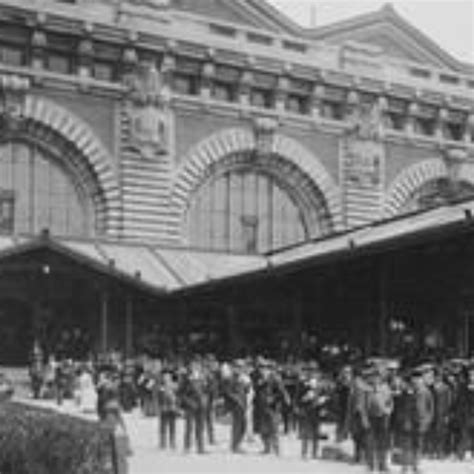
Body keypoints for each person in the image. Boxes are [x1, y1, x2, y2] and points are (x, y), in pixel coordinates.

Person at [396, 368, 434, 474]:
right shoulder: (406, 391)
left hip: (421, 422)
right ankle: (405, 467)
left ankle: (416, 465)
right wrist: (403, 420)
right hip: (408, 422)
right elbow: (400, 406)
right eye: (414, 379)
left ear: (422, 380)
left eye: (418, 379)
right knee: (406, 445)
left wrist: (427, 421)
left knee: (418, 445)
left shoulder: (426, 392)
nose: (416, 381)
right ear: (411, 380)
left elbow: (430, 408)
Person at [366, 366, 393, 473]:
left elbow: (390, 402)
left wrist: (387, 411)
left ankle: (382, 465)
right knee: (371, 442)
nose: (376, 379)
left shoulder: (386, 388)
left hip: (383, 418)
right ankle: (371, 465)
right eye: (374, 377)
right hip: (371, 417)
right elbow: (365, 403)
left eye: (378, 377)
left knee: (383, 443)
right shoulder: (368, 388)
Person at [179, 360, 207, 454]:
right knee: (189, 427)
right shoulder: (186, 378)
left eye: (198, 365)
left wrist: (205, 398)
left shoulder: (203, 377)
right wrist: (188, 402)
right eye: (194, 365)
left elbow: (206, 390)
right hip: (190, 405)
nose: (196, 367)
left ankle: (200, 447)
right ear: (190, 367)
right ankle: (187, 447)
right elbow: (181, 393)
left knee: (200, 427)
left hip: (201, 405)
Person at [298, 369, 326, 459]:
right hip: (307, 413)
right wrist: (305, 398)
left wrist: (323, 403)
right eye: (312, 377)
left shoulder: (321, 388)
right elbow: (299, 400)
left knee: (316, 434)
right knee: (306, 434)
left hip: (317, 413)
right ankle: (304, 453)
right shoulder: (304, 387)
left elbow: (326, 398)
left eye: (316, 377)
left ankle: (314, 453)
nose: (313, 380)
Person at [157, 370, 179, 450]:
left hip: (172, 407)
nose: (166, 378)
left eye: (168, 377)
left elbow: (177, 396)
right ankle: (163, 441)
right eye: (165, 377)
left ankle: (172, 441)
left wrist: (177, 406)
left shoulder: (175, 386)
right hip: (163, 407)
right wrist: (160, 405)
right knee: (163, 425)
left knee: (172, 425)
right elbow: (159, 396)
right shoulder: (161, 386)